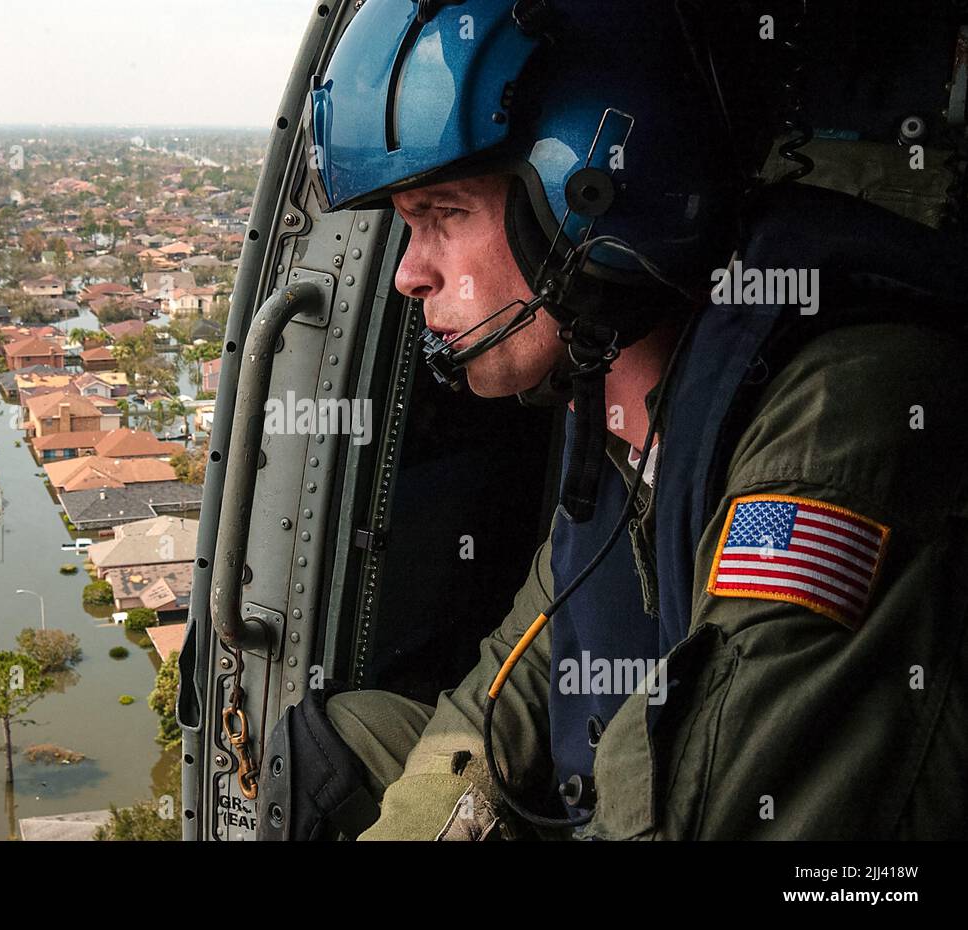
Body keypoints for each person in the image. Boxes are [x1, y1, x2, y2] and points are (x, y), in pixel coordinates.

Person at [258, 0, 968, 840]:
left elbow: (700, 810)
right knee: (334, 751)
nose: (410, 274)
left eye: (445, 214)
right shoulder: (615, 402)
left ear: (590, 199)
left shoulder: (837, 417)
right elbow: (527, 660)